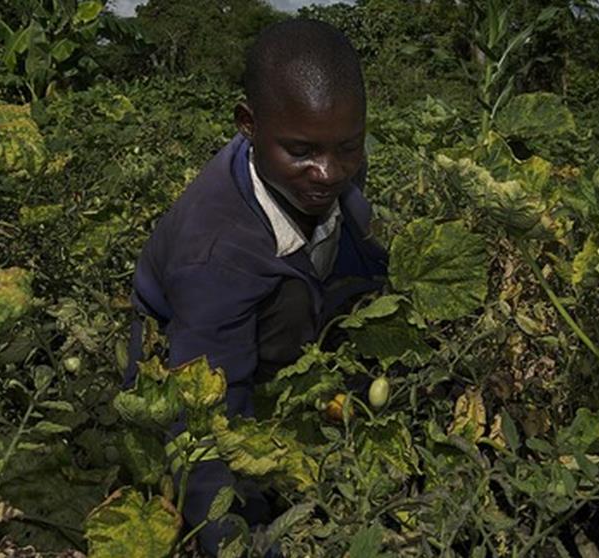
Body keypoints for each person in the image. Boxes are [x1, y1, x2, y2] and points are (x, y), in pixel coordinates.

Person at [125, 18, 388, 556]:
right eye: (303, 151)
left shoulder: (324, 163)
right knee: (236, 487)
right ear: (248, 124)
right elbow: (200, 421)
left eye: (349, 148)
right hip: (188, 359)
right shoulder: (215, 251)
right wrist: (239, 540)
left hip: (285, 312)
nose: (328, 172)